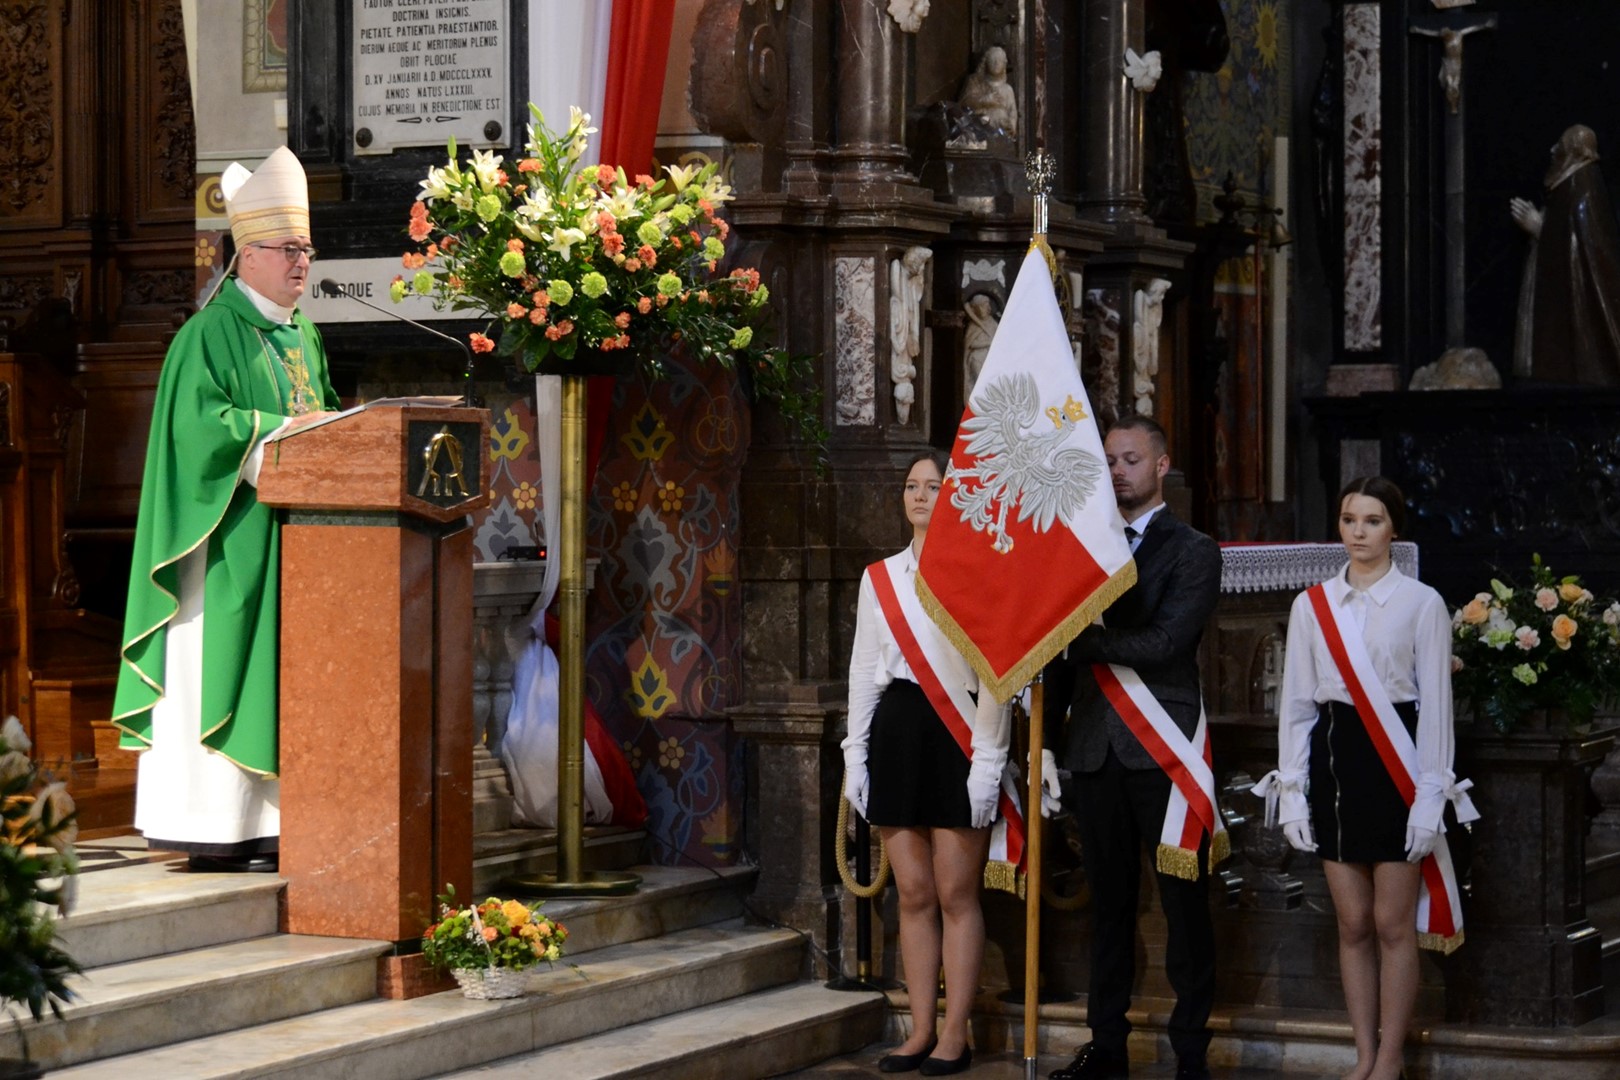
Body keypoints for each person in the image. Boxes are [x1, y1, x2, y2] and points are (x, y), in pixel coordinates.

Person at [112, 146, 339, 872]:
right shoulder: (206, 334)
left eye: (306, 248)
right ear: (245, 256)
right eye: (286, 249)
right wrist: (282, 434)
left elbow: (327, 419)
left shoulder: (303, 332)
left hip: (292, 540)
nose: (301, 262)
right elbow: (199, 431)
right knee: (214, 659)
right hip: (224, 542)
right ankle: (208, 821)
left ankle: (270, 822)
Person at [1254, 477, 1476, 1080]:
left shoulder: (1422, 603)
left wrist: (1431, 796)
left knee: (1390, 923)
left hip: (1398, 767)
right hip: (1334, 764)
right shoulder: (1312, 605)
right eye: (1349, 519)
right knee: (1351, 923)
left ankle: (1392, 1057)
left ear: (1393, 529)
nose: (1358, 532)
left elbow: (1435, 703)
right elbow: (1297, 706)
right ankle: (1362, 1055)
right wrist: (1293, 796)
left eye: (1372, 521)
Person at [1044, 415, 1223, 1080]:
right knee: (1108, 909)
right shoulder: (1084, 544)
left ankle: (1191, 1053)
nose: (1118, 471)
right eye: (1110, 461)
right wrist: (1049, 742)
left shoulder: (1193, 549)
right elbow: (1056, 655)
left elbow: (1165, 643)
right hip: (1094, 747)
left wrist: (1081, 640)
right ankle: (1107, 1048)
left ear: (1161, 465)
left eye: (1129, 459)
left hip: (1163, 749)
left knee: (1184, 906)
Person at [843, 451, 1011, 1077]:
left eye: (933, 486)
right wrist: (854, 755)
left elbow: (998, 678)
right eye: (911, 486)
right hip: (898, 731)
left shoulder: (979, 573)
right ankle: (918, 1028)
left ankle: (956, 1033)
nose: (919, 496)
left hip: (959, 736)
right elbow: (864, 670)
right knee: (912, 891)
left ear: (955, 495)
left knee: (955, 891)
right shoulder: (878, 578)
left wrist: (988, 764)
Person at [1509, 124, 1620, 385]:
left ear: (1574, 152)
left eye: (1559, 145)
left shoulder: (1582, 190)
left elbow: (1583, 255)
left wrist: (1539, 229)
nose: (1553, 150)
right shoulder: (1570, 185)